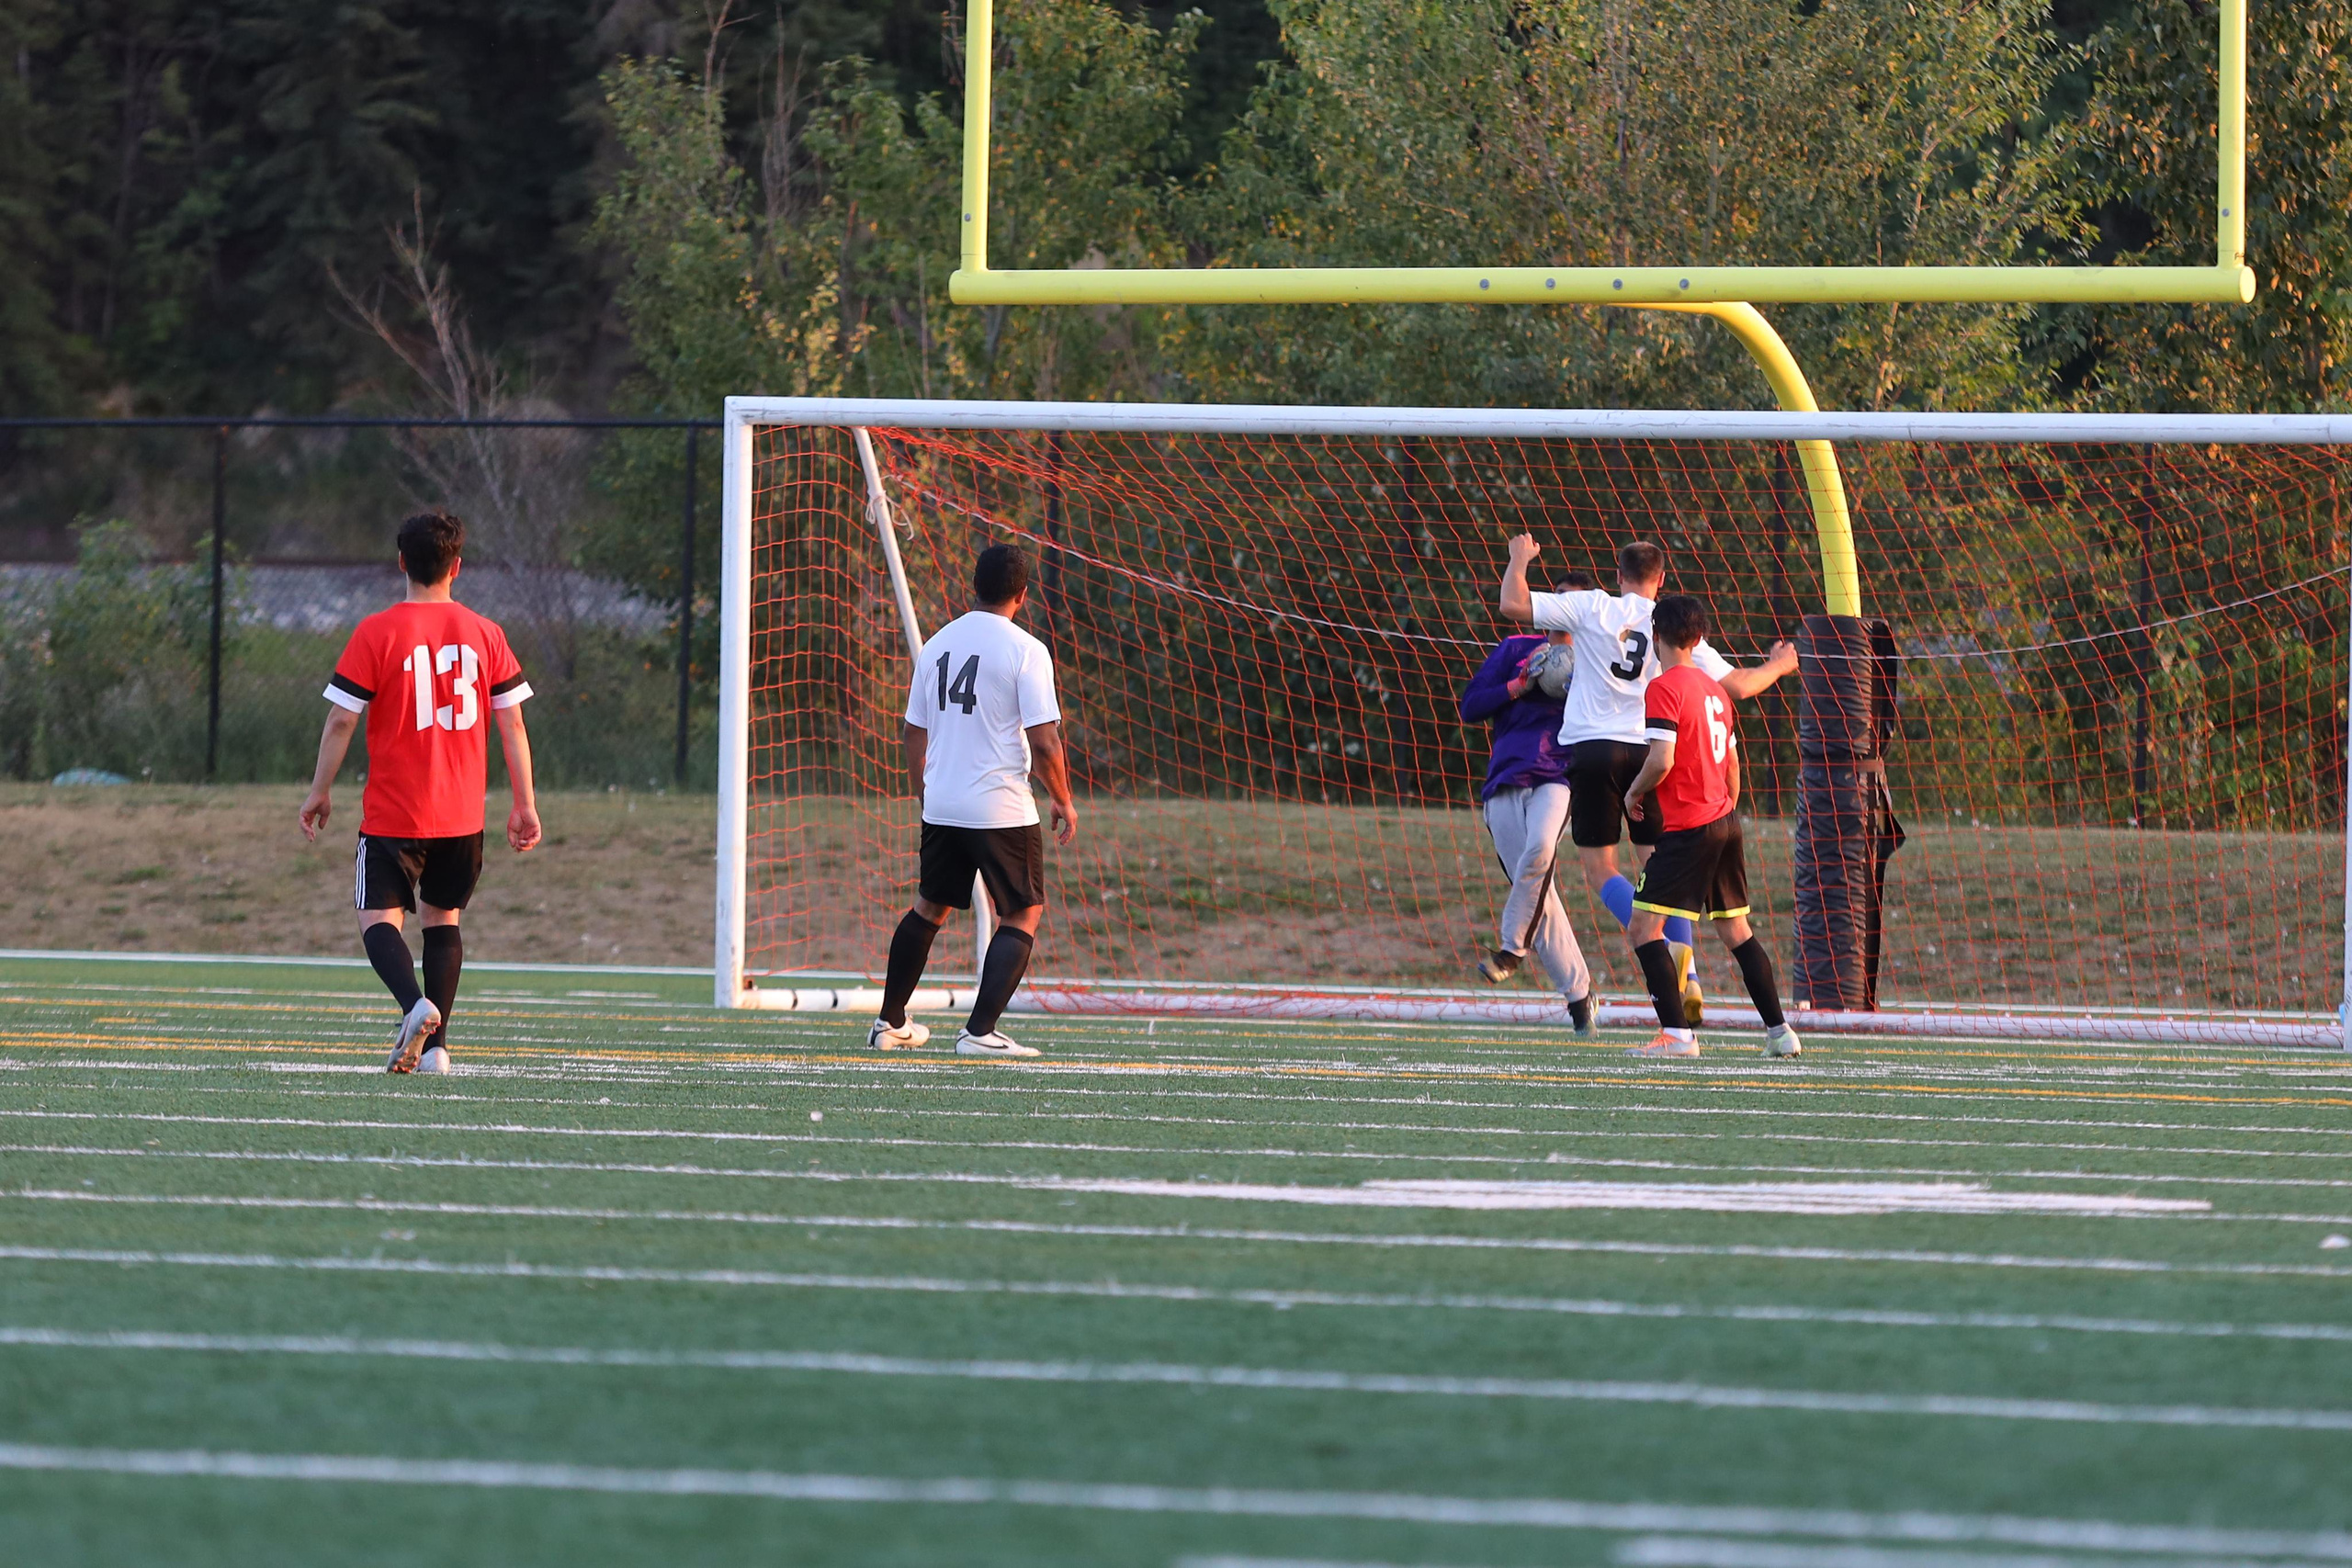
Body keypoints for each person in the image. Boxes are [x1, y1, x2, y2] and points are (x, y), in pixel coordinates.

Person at [1496, 534, 1796, 1023]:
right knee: (1660, 868)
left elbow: (1513, 603)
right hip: (1651, 751)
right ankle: (1689, 970)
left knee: (1601, 870)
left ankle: (1660, 948)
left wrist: (1518, 559)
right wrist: (1781, 664)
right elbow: (1740, 686)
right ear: (1661, 580)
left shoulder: (1592, 607)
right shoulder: (1671, 630)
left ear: (1619, 576)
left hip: (1594, 751)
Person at [299, 509, 542, 1074]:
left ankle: (414, 1007)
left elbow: (340, 722)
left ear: (402, 561)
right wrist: (525, 804)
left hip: (393, 815)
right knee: (443, 920)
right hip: (461, 818)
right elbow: (513, 726)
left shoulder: (376, 631)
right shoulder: (487, 634)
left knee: (377, 918)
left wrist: (319, 791)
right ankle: (436, 1050)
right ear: (457, 566)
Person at [869, 543, 1078, 1059]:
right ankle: (980, 1032)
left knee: (929, 906)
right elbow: (1046, 740)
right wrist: (1064, 800)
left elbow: (913, 729)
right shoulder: (1026, 649)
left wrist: (926, 791)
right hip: (1000, 806)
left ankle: (889, 1022)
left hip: (942, 802)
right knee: (1023, 911)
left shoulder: (938, 644)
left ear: (974, 587)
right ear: (1023, 595)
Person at [1621, 592, 1803, 1060]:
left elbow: (1661, 760)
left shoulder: (1663, 689)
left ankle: (1678, 1037)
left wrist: (1634, 793)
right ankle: (1780, 1032)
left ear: (1656, 635)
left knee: (1643, 929)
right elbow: (1734, 766)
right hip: (1725, 820)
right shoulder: (1716, 690)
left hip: (1689, 829)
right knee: (1737, 932)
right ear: (1699, 638)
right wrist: (1723, 814)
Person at [1457, 572, 1596, 1037]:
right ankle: (1580, 998)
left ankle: (1510, 950)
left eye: (1575, 606)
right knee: (1539, 891)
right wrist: (1518, 686)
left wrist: (1575, 684)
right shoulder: (1516, 647)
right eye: (1557, 601)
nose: (1564, 611)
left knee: (1540, 849)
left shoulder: (1596, 660)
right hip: (1504, 780)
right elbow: (1470, 705)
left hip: (1557, 776)